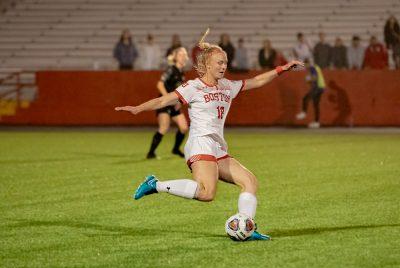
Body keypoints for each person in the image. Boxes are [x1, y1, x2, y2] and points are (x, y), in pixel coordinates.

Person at [115, 29, 303, 241]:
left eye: (225, 63)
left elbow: (256, 81)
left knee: (250, 182)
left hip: (217, 147)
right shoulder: (193, 87)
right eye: (219, 63)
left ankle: (246, 227)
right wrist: (137, 108)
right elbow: (163, 100)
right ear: (207, 65)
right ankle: (155, 185)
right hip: (200, 144)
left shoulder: (227, 86)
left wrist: (282, 69)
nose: (224, 66)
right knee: (206, 193)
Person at [146, 47, 189, 159]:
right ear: (175, 57)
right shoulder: (171, 69)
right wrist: (167, 98)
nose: (183, 56)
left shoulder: (181, 73)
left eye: (185, 54)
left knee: (184, 128)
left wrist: (179, 101)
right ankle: (151, 153)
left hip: (173, 104)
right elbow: (159, 84)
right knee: (164, 127)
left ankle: (175, 149)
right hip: (164, 103)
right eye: (180, 54)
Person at [296, 58, 326, 128]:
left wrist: (308, 78)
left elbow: (315, 78)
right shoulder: (316, 67)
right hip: (321, 87)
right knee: (316, 105)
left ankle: (304, 112)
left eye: (305, 65)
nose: (305, 67)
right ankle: (316, 122)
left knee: (305, 98)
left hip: (317, 87)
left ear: (308, 63)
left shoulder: (312, 68)